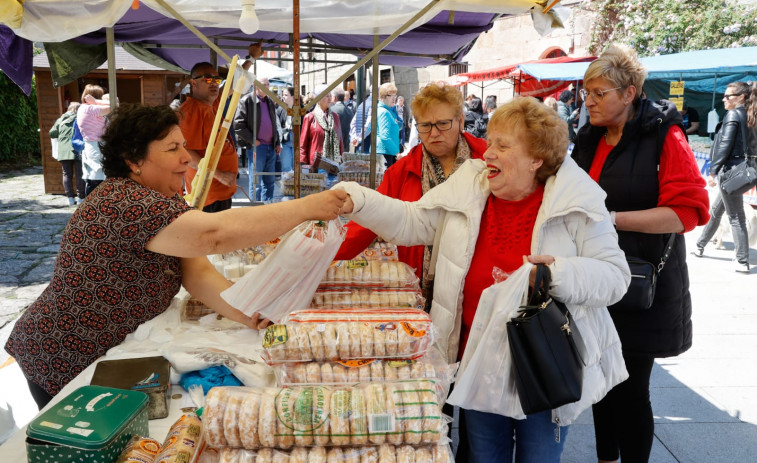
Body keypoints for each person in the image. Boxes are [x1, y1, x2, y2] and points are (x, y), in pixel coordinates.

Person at [335, 97, 631, 463]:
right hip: (477, 360)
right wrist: (359, 201)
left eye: (502, 146)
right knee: (483, 457)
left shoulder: (576, 200)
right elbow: (413, 221)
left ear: (536, 159)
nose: (487, 153)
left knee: (538, 457)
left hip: (542, 364)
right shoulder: (472, 183)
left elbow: (616, 277)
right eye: (489, 141)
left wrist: (558, 273)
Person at [4, 104, 347, 410]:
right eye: (173, 148)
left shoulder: (162, 201)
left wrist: (250, 315)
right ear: (134, 160)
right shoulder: (125, 202)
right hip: (63, 353)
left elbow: (196, 273)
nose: (186, 157)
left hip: (96, 353)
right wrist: (306, 208)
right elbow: (213, 235)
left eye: (183, 145)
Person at [572, 44, 711, 463]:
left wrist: (612, 219)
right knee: (598, 381)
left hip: (641, 283)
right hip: (596, 279)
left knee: (631, 389)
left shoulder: (664, 135)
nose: (589, 101)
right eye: (586, 93)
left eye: (599, 93)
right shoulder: (591, 136)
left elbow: (686, 213)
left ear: (629, 93)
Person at [335, 82, 487, 288]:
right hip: (420, 283)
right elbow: (369, 220)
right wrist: (319, 255)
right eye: (425, 125)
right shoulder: (402, 171)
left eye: (443, 123)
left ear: (460, 121)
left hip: (475, 280)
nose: (434, 133)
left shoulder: (487, 159)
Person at [692, 81, 752, 272]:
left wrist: (713, 171)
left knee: (735, 216)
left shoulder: (734, 114)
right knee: (717, 210)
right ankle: (700, 244)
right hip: (742, 170)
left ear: (741, 97)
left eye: (728, 96)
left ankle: (742, 260)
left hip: (730, 171)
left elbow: (724, 145)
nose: (724, 99)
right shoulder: (750, 115)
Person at [180, 62, 238, 212]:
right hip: (207, 195)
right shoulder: (191, 111)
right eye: (207, 79)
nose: (213, 83)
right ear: (193, 83)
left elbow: (231, 85)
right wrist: (219, 175)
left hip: (218, 192)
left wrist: (251, 58)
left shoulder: (210, 104)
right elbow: (186, 153)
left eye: (216, 79)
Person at [234, 76, 282, 202]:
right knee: (256, 183)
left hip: (271, 147)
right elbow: (238, 125)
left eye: (267, 85)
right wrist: (252, 140)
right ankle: (255, 209)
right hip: (257, 148)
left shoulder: (270, 101)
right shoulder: (247, 100)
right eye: (263, 85)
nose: (266, 87)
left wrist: (277, 143)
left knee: (270, 181)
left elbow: (274, 124)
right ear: (255, 86)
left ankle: (267, 207)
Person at [300, 84, 344, 173]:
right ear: (318, 98)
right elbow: (303, 144)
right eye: (326, 96)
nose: (329, 98)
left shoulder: (335, 117)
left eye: (330, 95)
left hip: (334, 164)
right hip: (316, 164)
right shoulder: (310, 117)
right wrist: (303, 164)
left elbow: (340, 141)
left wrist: (342, 160)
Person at [76, 85, 111, 196]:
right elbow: (115, 106)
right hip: (96, 147)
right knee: (97, 179)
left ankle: (91, 208)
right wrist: (95, 101)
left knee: (93, 179)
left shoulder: (83, 108)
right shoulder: (91, 108)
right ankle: (91, 208)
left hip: (92, 146)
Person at [50, 102, 85, 206]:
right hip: (78, 149)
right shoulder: (81, 118)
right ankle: (81, 198)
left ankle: (70, 198)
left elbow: (52, 133)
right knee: (80, 174)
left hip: (64, 150)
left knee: (66, 174)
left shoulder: (60, 120)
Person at [376, 82, 402, 169]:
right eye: (391, 95)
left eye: (395, 95)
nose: (394, 98)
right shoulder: (384, 112)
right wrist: (396, 153)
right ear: (383, 96)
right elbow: (384, 136)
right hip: (385, 153)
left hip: (387, 152)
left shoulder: (387, 110)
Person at [277, 86, 296, 174]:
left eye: (286, 95)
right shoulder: (281, 109)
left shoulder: (300, 109)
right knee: (286, 169)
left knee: (297, 169)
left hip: (297, 140)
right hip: (285, 140)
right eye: (283, 95)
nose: (283, 97)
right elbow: (278, 126)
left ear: (292, 96)